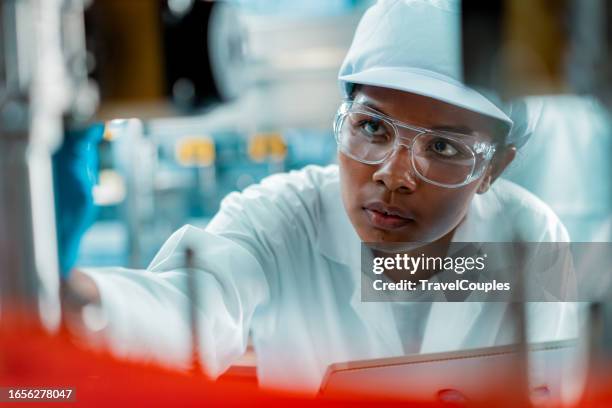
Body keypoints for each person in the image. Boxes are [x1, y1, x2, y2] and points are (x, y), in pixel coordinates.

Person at [64, 0, 576, 394]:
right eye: (372, 126)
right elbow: (189, 307)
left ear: (494, 168)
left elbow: (560, 388)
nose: (393, 175)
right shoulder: (282, 219)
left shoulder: (531, 236)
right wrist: (82, 307)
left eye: (442, 146)